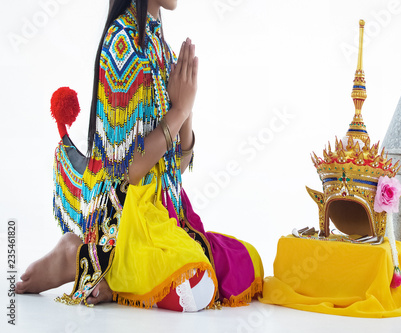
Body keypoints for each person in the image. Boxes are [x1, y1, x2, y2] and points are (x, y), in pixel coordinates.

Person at [16, 0, 263, 312]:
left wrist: (186, 112)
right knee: (195, 291)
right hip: (124, 213)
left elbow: (178, 165)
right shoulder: (121, 44)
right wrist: (180, 110)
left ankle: (114, 279)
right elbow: (128, 171)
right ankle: (78, 258)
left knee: (249, 261)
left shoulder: (162, 46)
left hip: (165, 212)